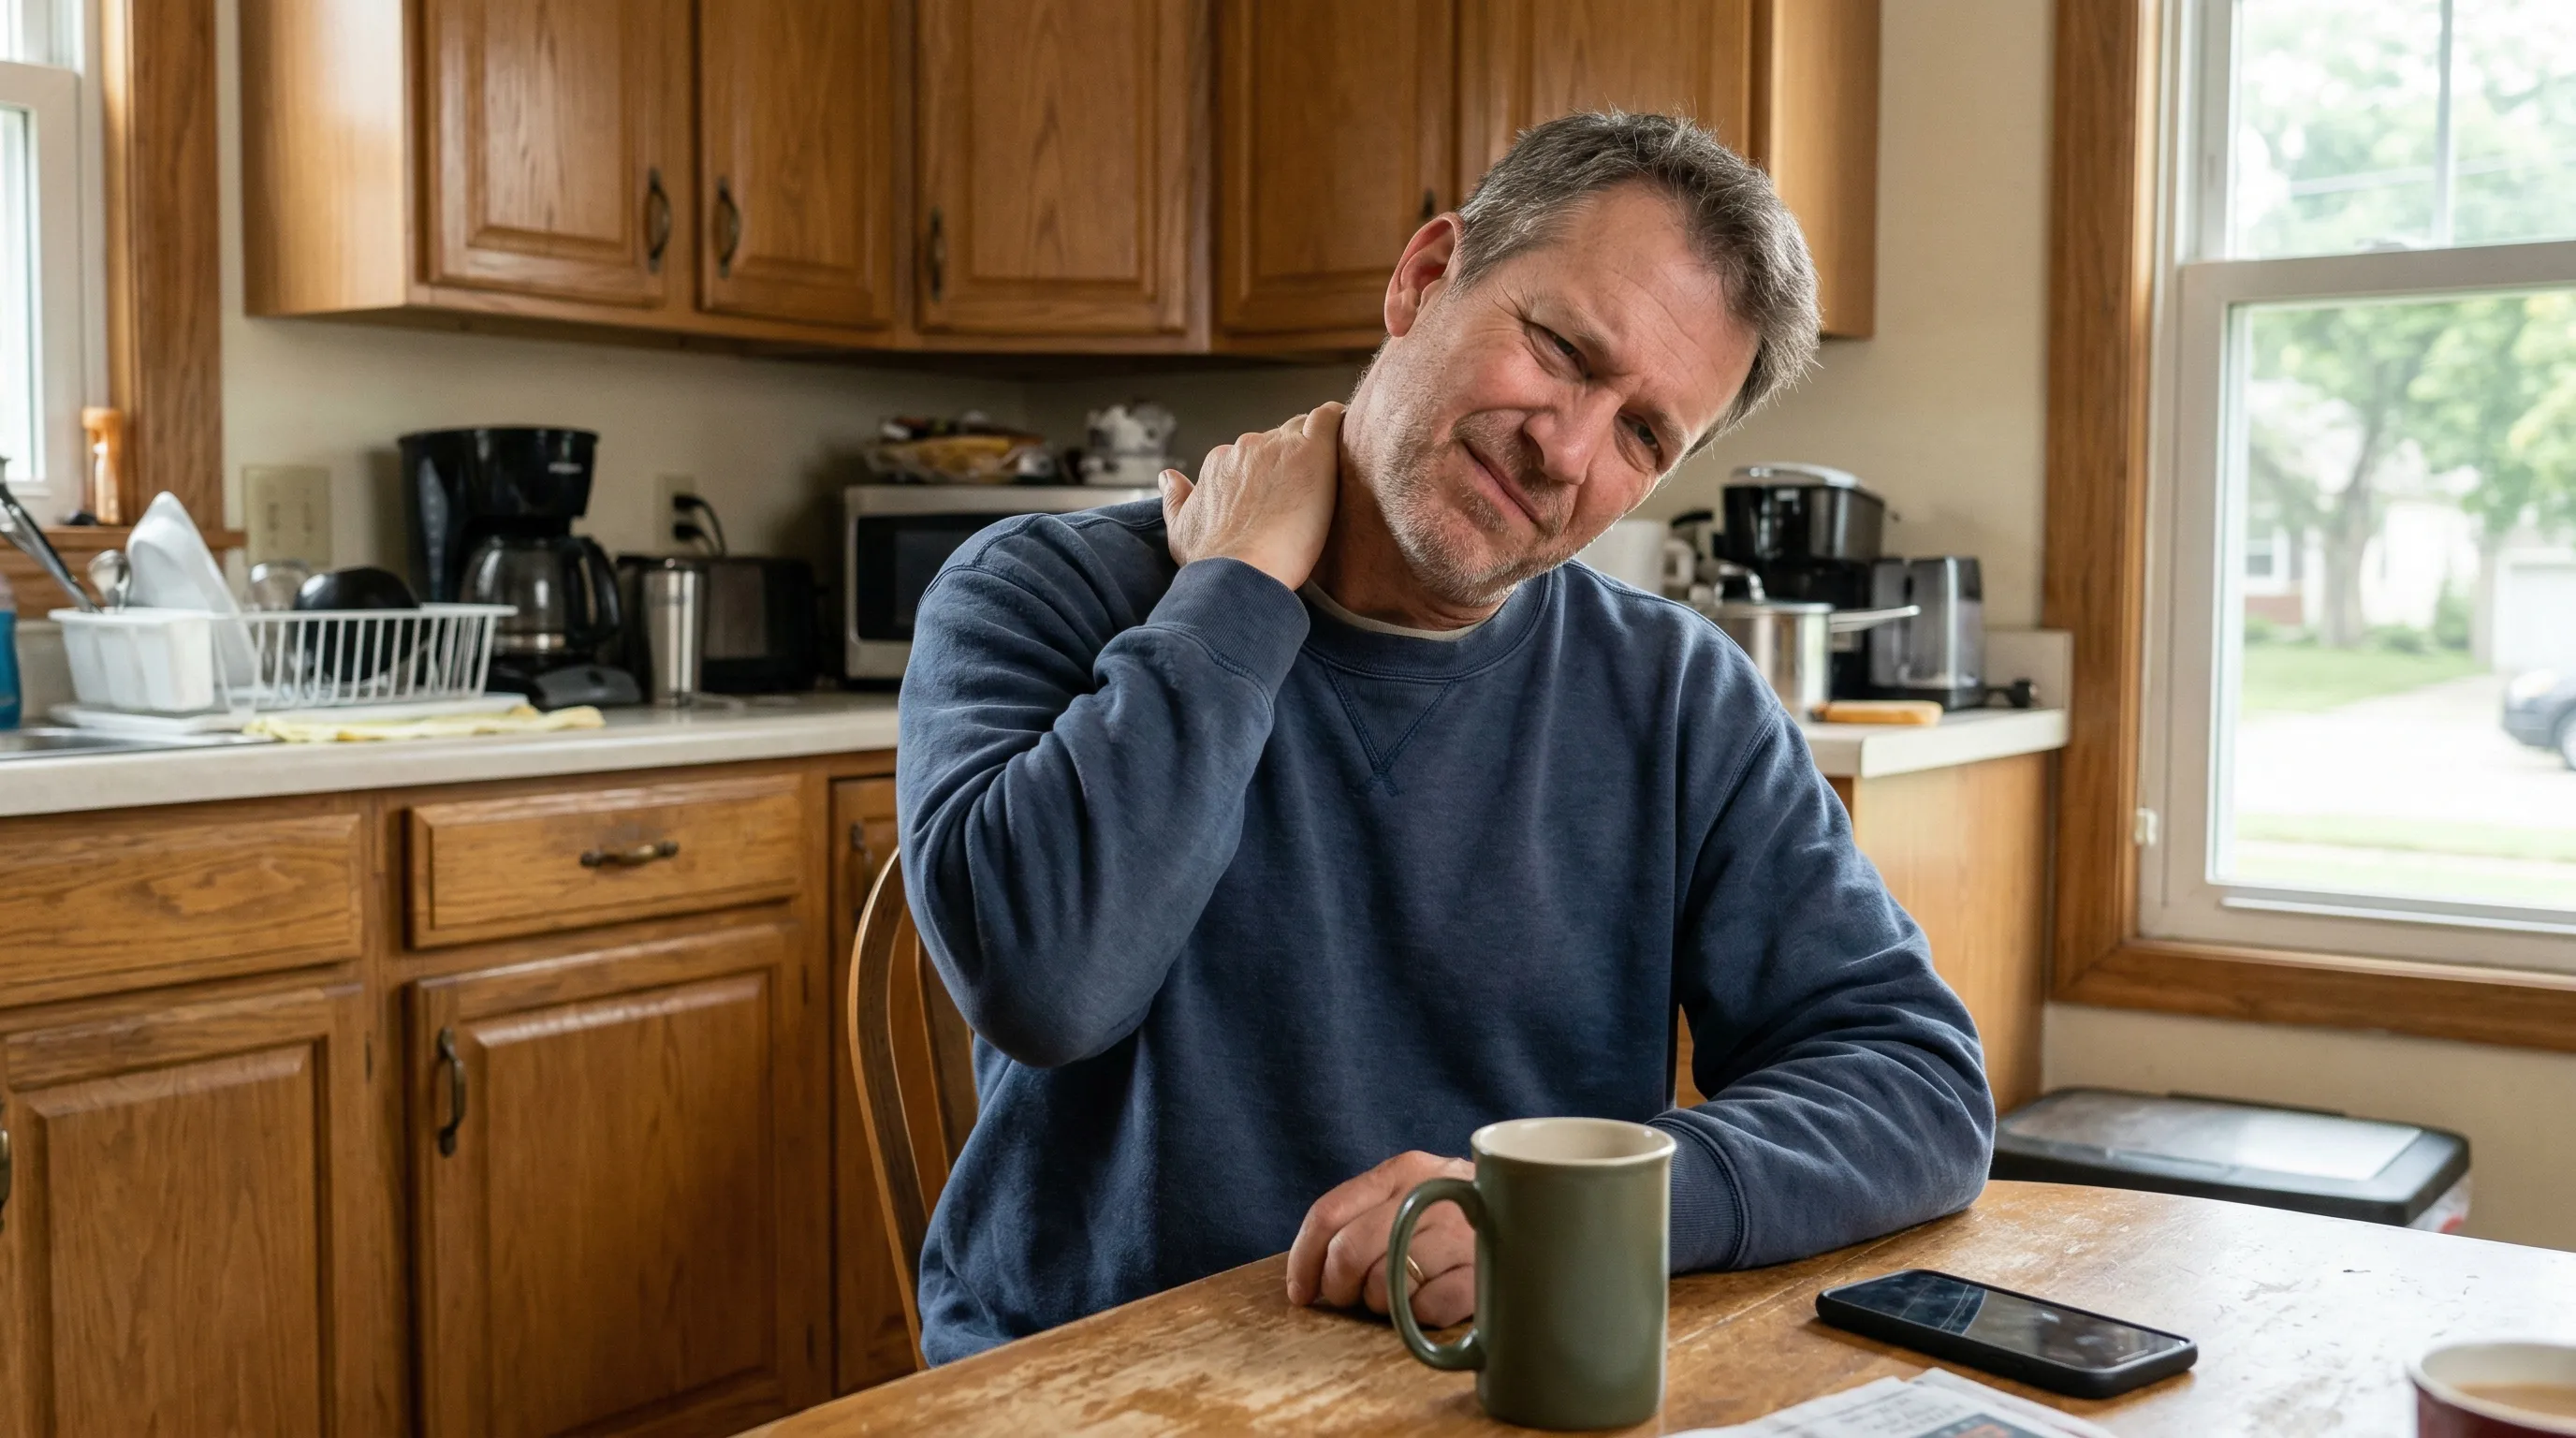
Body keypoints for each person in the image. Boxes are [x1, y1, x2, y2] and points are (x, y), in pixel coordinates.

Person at [893, 111, 1995, 1363]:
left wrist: (1588, 1203)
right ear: (1425, 278)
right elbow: (1049, 985)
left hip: (1486, 1384)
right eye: (1564, 350)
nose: (1566, 448)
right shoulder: (1042, 592)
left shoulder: (1678, 695)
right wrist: (1242, 586)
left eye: (1644, 436)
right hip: (1093, 1381)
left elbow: (1917, 1088)